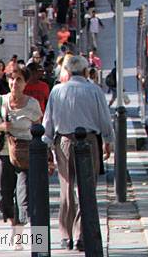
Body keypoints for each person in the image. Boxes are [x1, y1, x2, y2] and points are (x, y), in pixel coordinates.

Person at [42, 55, 114, 251]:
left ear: (66, 71)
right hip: (89, 141)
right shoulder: (94, 90)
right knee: (87, 188)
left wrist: (46, 145)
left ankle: (66, 236)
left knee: (66, 189)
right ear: (85, 71)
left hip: (63, 141)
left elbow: (48, 122)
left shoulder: (57, 91)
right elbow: (104, 119)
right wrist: (107, 141)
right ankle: (82, 234)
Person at [0, 67, 42, 241]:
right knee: (2, 193)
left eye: (19, 79)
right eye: (11, 79)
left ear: (25, 83)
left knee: (23, 195)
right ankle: (13, 222)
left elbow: (39, 130)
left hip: (25, 154)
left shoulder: (32, 104)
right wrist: (0, 127)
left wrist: (47, 158)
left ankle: (19, 231)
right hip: (3, 152)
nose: (14, 83)